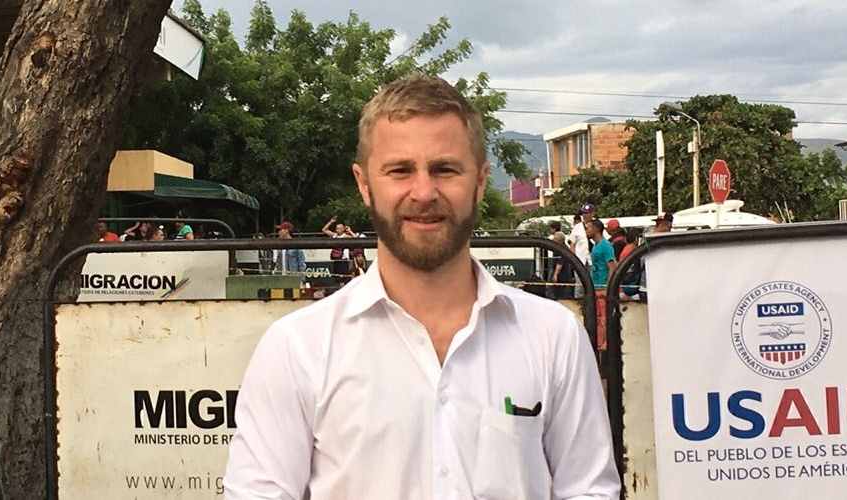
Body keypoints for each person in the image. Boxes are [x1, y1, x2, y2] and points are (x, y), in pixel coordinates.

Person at [225, 75, 619, 499]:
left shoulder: (553, 336)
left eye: (445, 169)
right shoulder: (298, 347)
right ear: (363, 184)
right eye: (400, 170)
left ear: (481, 181)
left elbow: (588, 490)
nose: (424, 191)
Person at [585, 218, 616, 350]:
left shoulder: (606, 246)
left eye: (589, 228)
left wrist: (609, 287)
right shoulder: (596, 247)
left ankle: (604, 343)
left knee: (603, 317)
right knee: (597, 317)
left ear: (596, 229)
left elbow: (612, 267)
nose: (586, 231)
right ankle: (598, 342)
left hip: (603, 287)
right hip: (595, 286)